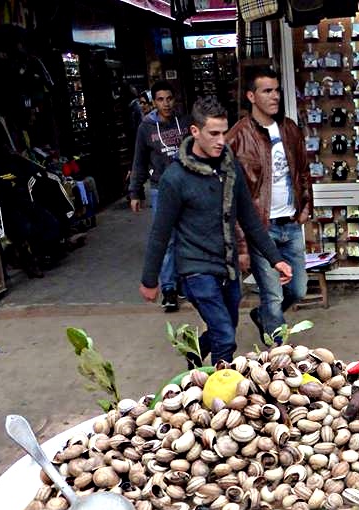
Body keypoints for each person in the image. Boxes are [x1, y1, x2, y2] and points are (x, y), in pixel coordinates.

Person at [139, 96, 292, 366]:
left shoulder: (229, 166)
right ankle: (219, 396)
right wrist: (151, 280)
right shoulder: (175, 178)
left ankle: (194, 351)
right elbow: (160, 233)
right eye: (213, 133)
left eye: (224, 132)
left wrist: (275, 258)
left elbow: (249, 218)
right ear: (195, 131)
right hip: (195, 268)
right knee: (224, 336)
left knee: (227, 326)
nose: (221, 140)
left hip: (228, 266)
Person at [226, 65, 313, 341]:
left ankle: (263, 316)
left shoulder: (290, 129)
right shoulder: (237, 137)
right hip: (261, 229)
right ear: (251, 96)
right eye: (267, 91)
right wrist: (241, 244)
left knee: (298, 289)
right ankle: (278, 355)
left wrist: (306, 206)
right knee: (273, 295)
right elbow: (231, 196)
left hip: (290, 223)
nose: (274, 96)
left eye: (277, 90)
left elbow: (303, 171)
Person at [129, 80, 188, 313]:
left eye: (169, 98)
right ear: (154, 102)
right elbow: (139, 160)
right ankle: (170, 290)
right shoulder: (146, 128)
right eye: (161, 99)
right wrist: (135, 192)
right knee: (166, 239)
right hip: (160, 189)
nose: (166, 103)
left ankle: (185, 282)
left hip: (186, 186)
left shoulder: (184, 122)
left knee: (186, 236)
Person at [0, 128, 62, 278]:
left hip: (21, 199)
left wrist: (13, 180)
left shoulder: (7, 156)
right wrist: (10, 181)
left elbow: (23, 173)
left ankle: (44, 255)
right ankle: (29, 261)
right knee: (25, 228)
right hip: (2, 205)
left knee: (48, 220)